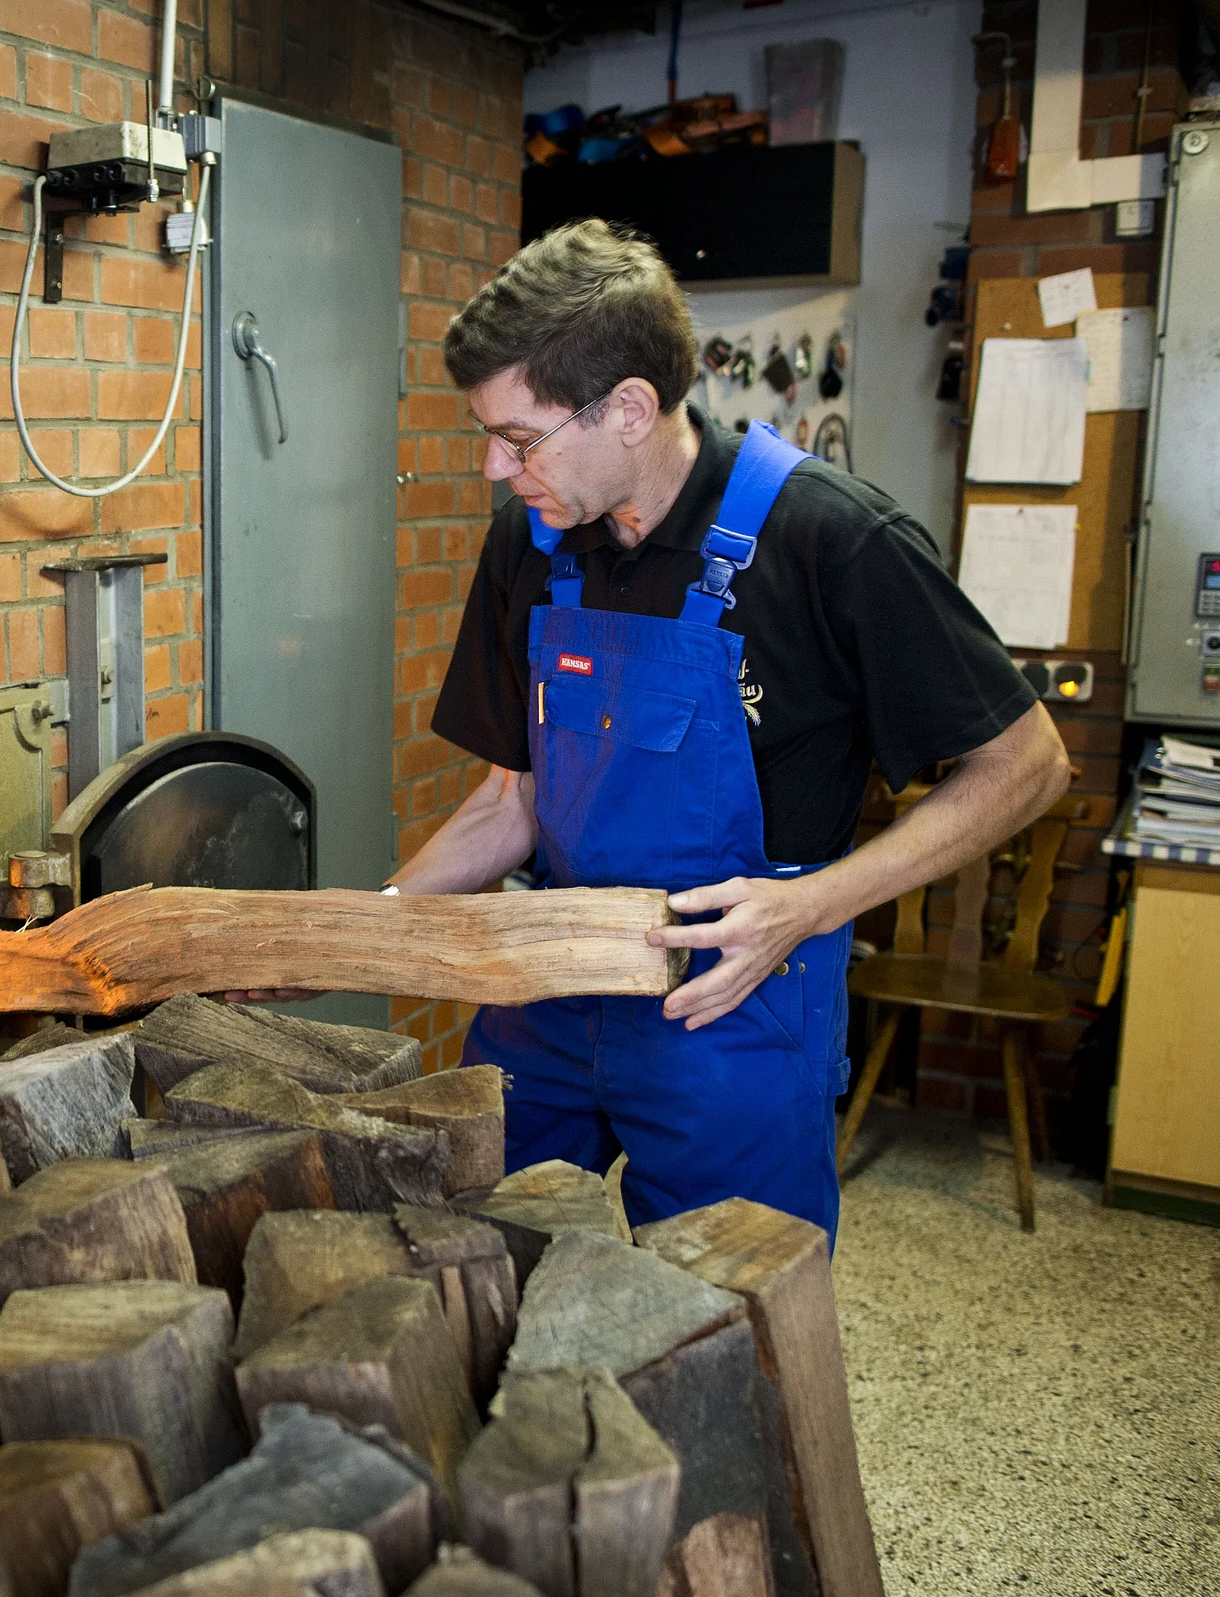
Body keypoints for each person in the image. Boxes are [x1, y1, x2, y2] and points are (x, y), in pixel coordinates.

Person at [390, 220, 1065, 1237]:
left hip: (735, 1005)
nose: (494, 467)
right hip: (554, 988)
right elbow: (510, 803)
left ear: (629, 409)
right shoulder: (529, 544)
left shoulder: (830, 541)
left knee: (718, 1322)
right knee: (468, 1266)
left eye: (517, 437)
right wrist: (367, 923)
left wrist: (815, 905)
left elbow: (1027, 764)